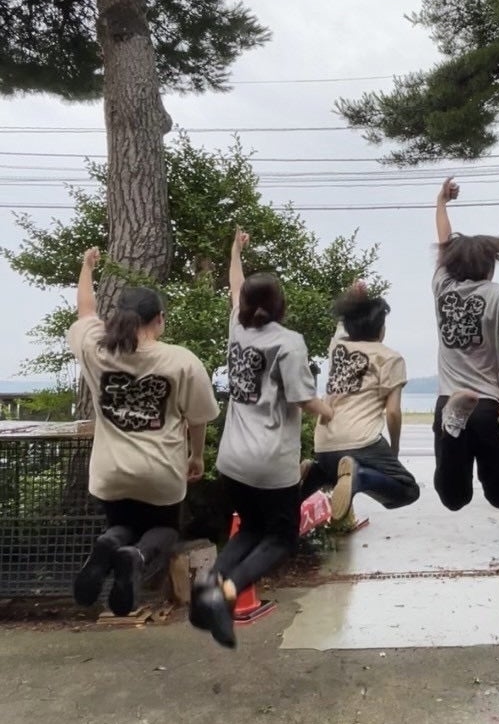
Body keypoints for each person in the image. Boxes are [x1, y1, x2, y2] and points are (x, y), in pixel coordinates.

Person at [190, 229, 334, 648]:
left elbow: (236, 286)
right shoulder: (288, 343)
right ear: (280, 305)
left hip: (232, 459)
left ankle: (210, 588)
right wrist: (329, 410)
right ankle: (225, 593)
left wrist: (234, 250)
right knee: (282, 538)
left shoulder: (237, 328)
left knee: (251, 528)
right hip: (270, 463)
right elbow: (304, 399)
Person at [69, 248, 220, 617]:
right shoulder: (181, 360)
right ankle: (135, 556)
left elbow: (85, 312)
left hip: (110, 473)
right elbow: (198, 418)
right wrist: (196, 456)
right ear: (160, 319)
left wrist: (86, 268)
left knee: (121, 524)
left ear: (118, 316)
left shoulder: (96, 349)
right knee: (165, 530)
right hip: (160, 472)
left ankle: (109, 544)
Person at [431, 177, 499, 511]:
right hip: (491, 407)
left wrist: (441, 202)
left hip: (450, 398)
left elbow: (443, 242)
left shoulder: (442, 287)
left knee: (454, 497)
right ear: (490, 267)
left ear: (452, 265)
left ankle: (452, 428)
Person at [302, 282, 420, 520]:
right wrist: (394, 449)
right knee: (407, 490)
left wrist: (354, 297)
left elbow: (343, 323)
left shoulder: (338, 347)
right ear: (381, 329)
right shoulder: (390, 358)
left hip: (324, 444)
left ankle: (314, 473)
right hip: (361, 442)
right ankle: (361, 477)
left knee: (335, 471)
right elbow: (393, 412)